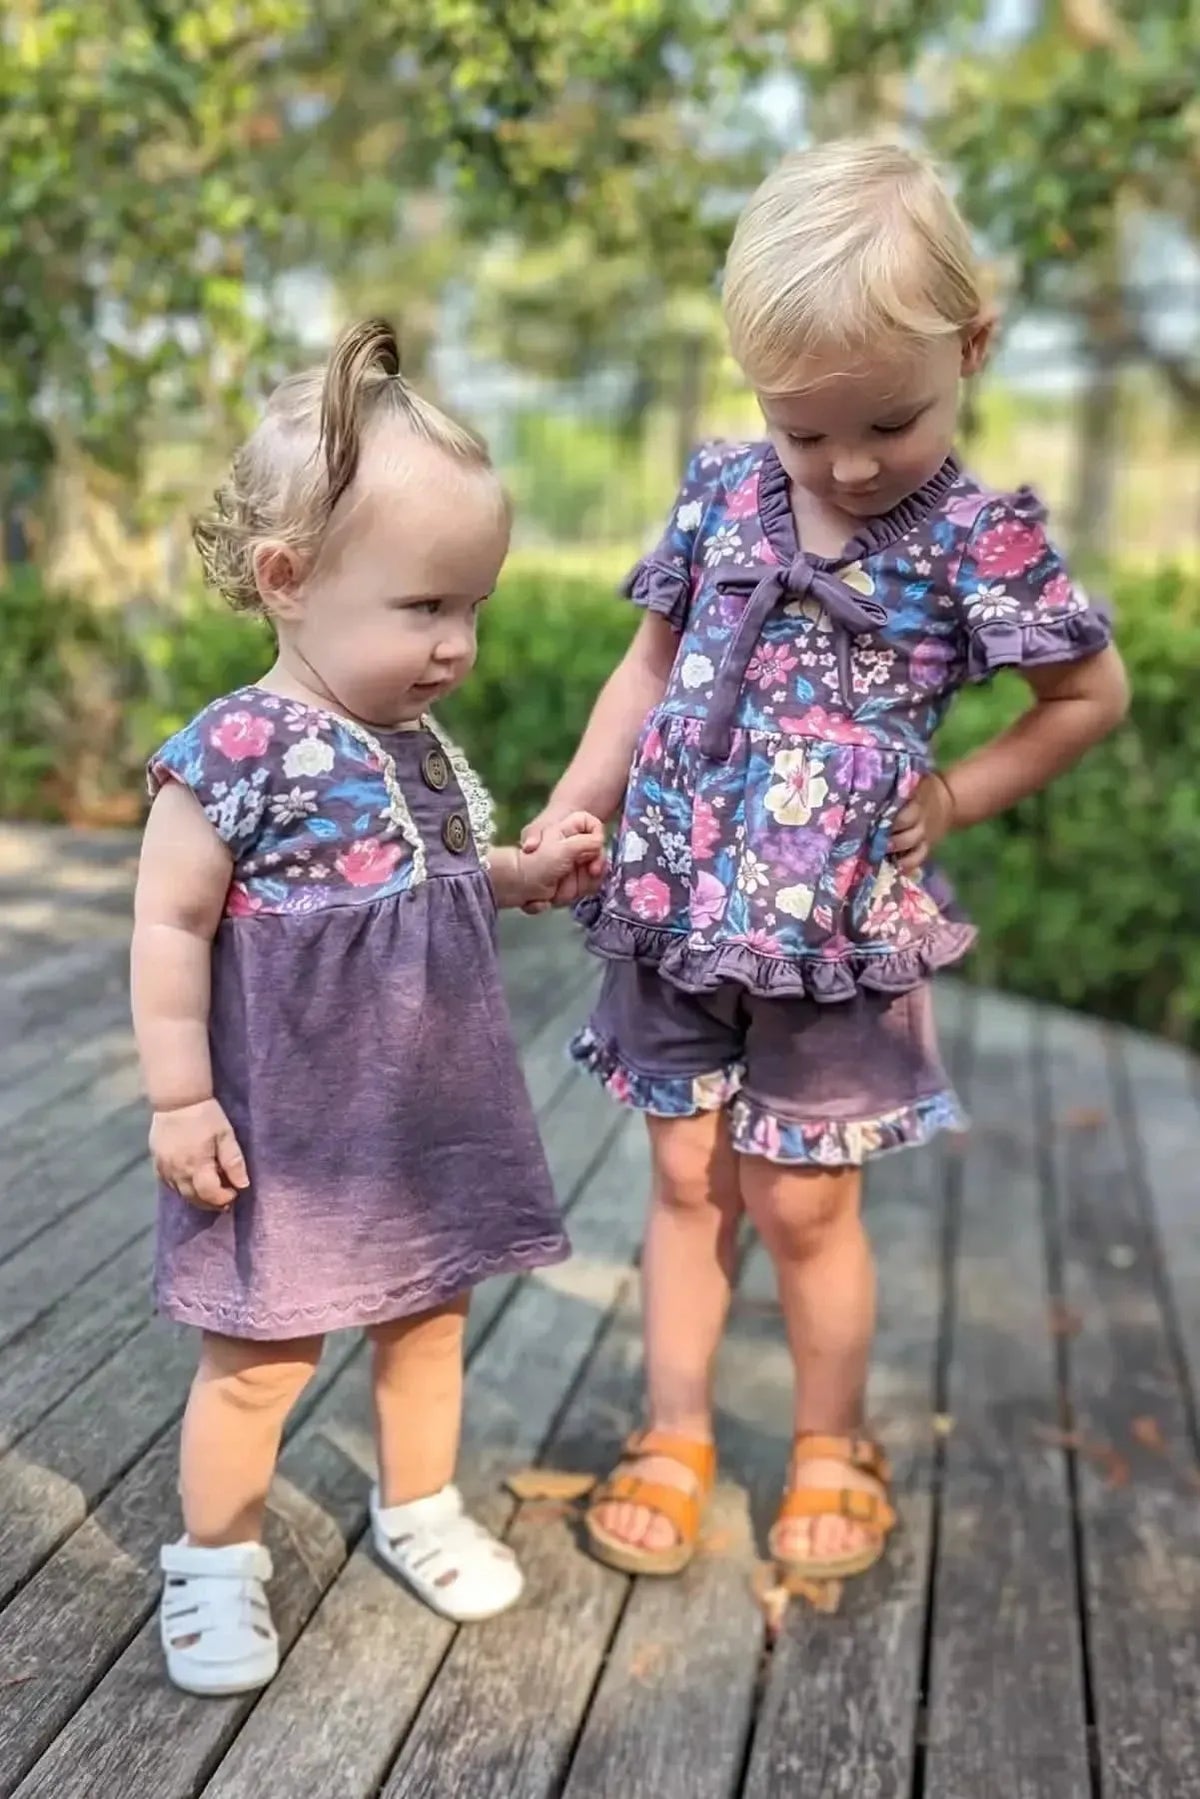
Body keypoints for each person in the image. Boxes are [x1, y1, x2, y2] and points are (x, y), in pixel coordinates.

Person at [522, 141, 1129, 1586]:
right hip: (676, 902)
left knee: (804, 1202)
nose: (848, 466)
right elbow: (647, 664)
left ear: (971, 345)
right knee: (683, 1180)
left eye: (889, 422)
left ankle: (827, 1440)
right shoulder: (726, 492)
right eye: (807, 432)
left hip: (841, 928)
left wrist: (958, 791)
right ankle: (674, 1430)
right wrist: (569, 810)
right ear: (756, 397)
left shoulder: (980, 542)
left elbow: (1087, 698)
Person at [132, 319, 605, 1696]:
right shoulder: (235, 750)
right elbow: (167, 925)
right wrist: (177, 1094)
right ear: (288, 580)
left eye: (475, 606)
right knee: (260, 1361)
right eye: (424, 607)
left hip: (427, 1122)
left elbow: (435, 879)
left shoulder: (412, 740)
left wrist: (521, 874)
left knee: (429, 1324)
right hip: (291, 1135)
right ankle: (213, 1561)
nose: (457, 643)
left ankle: (418, 1506)